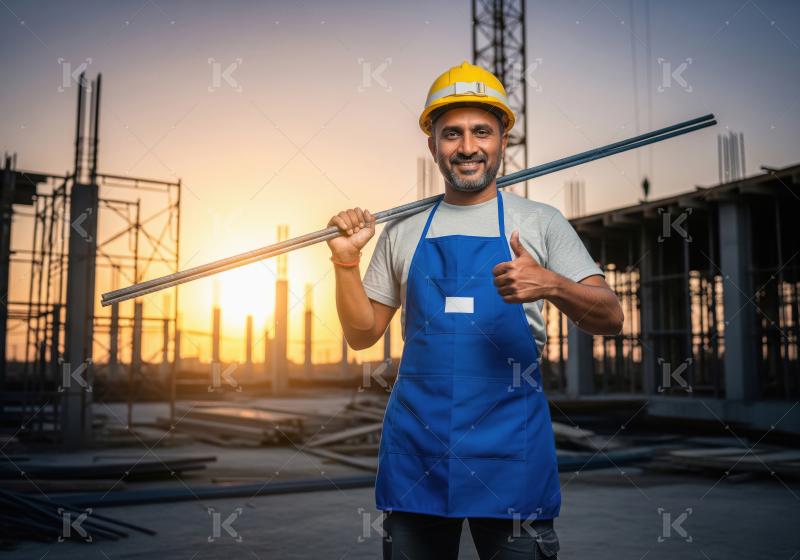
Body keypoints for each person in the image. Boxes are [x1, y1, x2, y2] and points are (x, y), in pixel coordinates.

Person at [326, 61, 624, 559]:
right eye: (452, 134)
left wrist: (549, 283)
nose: (467, 147)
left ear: (503, 138)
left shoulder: (541, 222)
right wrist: (346, 262)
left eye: (481, 131)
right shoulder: (403, 232)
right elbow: (361, 335)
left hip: (511, 454)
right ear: (432, 145)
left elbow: (610, 317)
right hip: (418, 453)